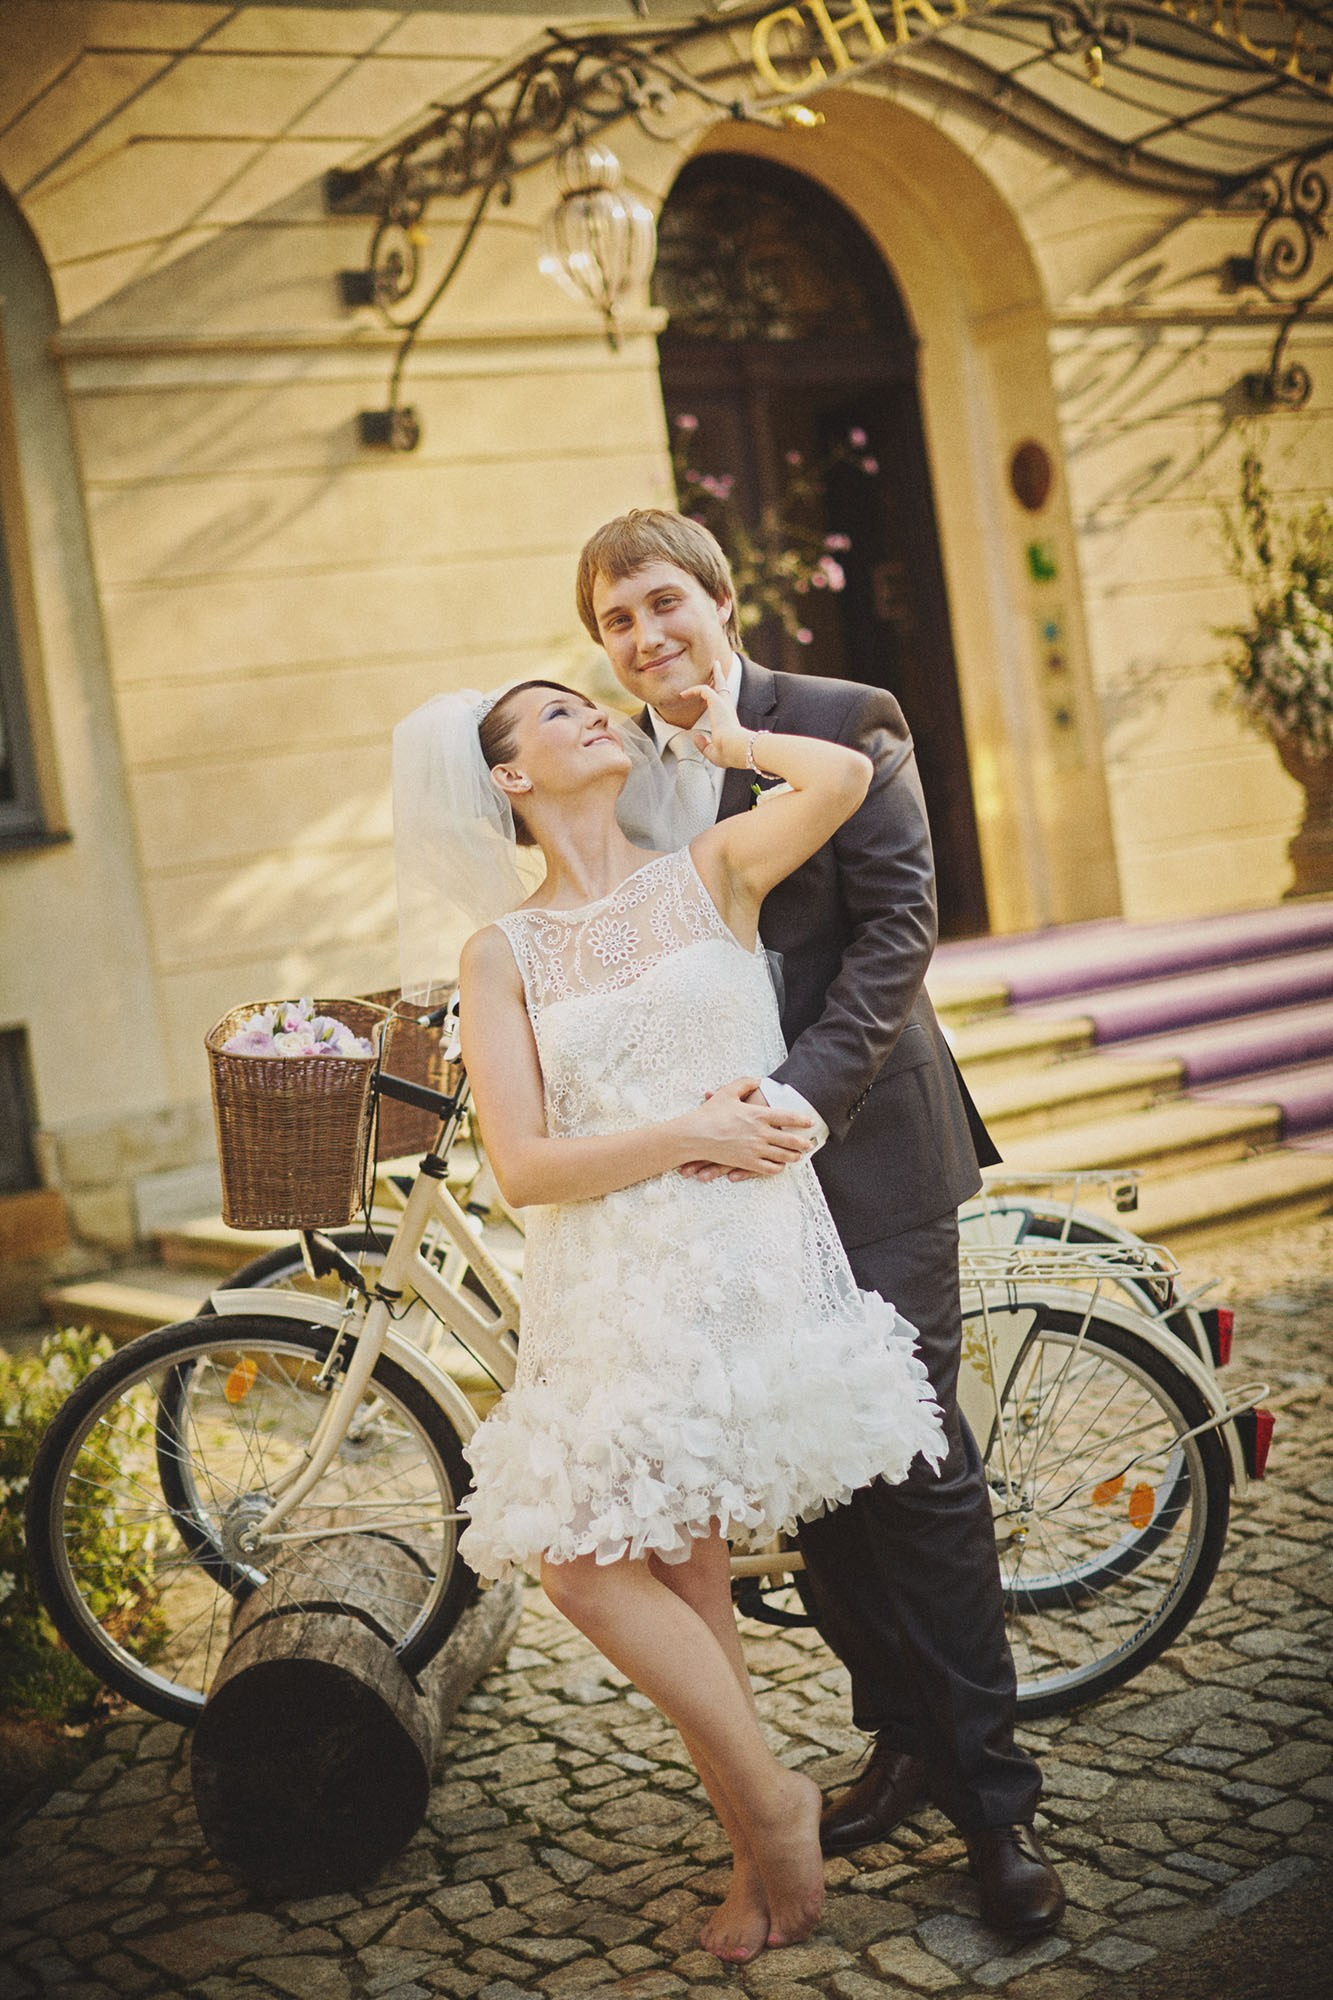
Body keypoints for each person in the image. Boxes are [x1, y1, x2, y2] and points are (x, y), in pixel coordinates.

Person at [394, 673, 948, 1963]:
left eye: (594, 706)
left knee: (675, 1569)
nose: (595, 712)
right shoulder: (502, 952)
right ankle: (773, 1818)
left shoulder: (710, 868)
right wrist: (688, 1130)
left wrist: (726, 735)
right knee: (600, 1568)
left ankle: (764, 1847)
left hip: (740, 1254)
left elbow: (844, 779)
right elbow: (525, 1166)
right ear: (510, 780)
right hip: (606, 1281)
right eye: (555, 713)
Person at [572, 508, 1065, 1940]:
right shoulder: (624, 774)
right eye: (614, 621)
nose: (645, 637)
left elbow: (895, 928)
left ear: (720, 599)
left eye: (662, 603)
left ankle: (997, 1808)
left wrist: (797, 1097)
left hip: (865, 1151)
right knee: (813, 1474)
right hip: (728, 1184)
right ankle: (900, 1741)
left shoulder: (841, 718)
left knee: (909, 1466)